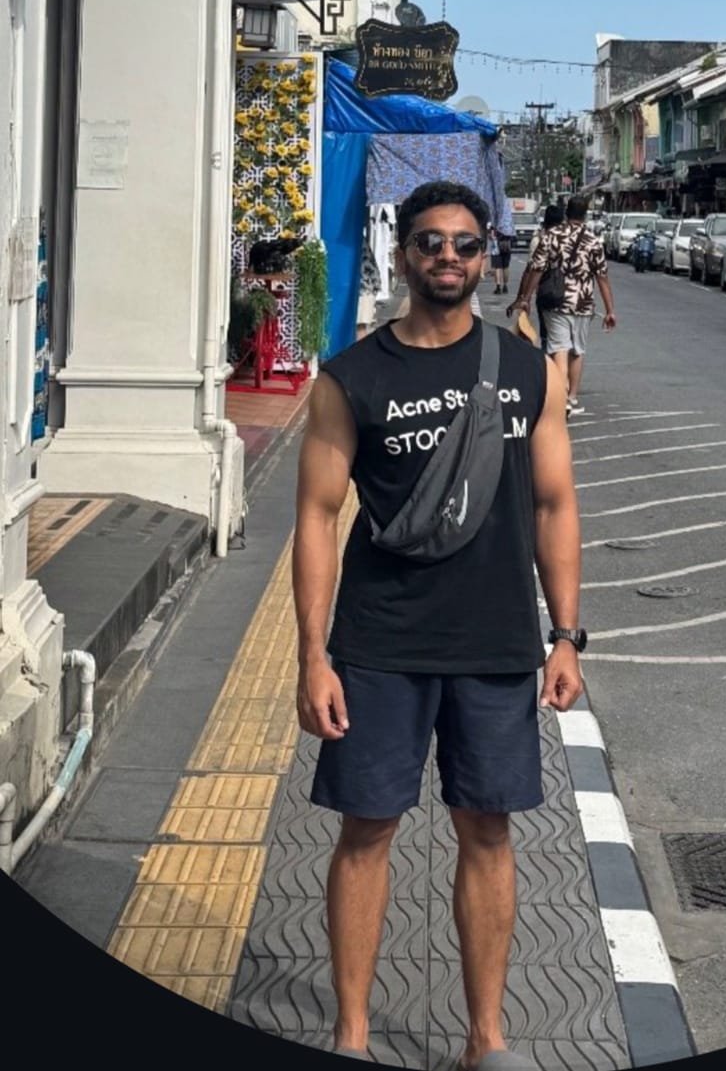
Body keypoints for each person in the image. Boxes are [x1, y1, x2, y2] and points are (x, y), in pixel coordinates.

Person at [293, 180, 583, 1069]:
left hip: (495, 643)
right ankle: (350, 1030)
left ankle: (486, 1038)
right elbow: (315, 515)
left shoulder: (529, 368)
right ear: (406, 253)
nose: (448, 258)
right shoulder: (353, 377)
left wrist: (566, 634)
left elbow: (554, 502)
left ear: (486, 255)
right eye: (430, 243)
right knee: (365, 830)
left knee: (488, 830)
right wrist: (312, 656)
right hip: (378, 642)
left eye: (464, 244)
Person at [507, 194, 616, 417]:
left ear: (567, 212)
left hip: (555, 301)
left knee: (559, 348)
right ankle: (571, 397)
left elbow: (536, 268)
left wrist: (526, 297)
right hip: (583, 303)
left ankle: (559, 397)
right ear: (585, 214)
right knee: (577, 350)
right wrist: (610, 310)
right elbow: (602, 277)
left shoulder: (551, 236)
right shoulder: (593, 240)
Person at [513, 204, 564, 351]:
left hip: (546, 293)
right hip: (569, 295)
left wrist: (523, 298)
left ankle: (550, 368)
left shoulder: (540, 240)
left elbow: (532, 270)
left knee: (547, 337)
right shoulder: (570, 241)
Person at [491, 227, 514, 295]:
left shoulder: (495, 221)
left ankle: (498, 286)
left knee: (497, 267)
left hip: (496, 247)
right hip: (506, 245)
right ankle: (505, 286)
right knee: (506, 267)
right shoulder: (509, 222)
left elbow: (492, 236)